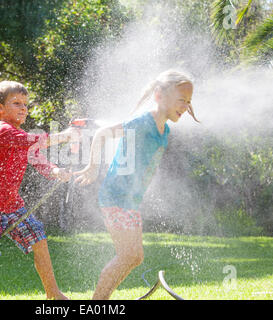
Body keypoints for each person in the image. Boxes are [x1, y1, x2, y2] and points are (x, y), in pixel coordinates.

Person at [74, 70, 200, 300]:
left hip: (130, 200)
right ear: (160, 95)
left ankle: (101, 300)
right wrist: (92, 168)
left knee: (134, 256)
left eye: (188, 101)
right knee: (128, 255)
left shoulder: (165, 128)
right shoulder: (144, 121)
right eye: (181, 100)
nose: (185, 106)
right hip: (116, 196)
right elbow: (102, 133)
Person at [0, 80, 78, 300]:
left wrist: (56, 172)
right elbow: (35, 141)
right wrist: (66, 135)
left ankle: (53, 293)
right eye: (16, 103)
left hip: (12, 205)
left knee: (40, 241)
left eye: (25, 104)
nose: (23, 108)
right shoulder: (5, 132)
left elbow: (39, 160)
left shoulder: (20, 138)